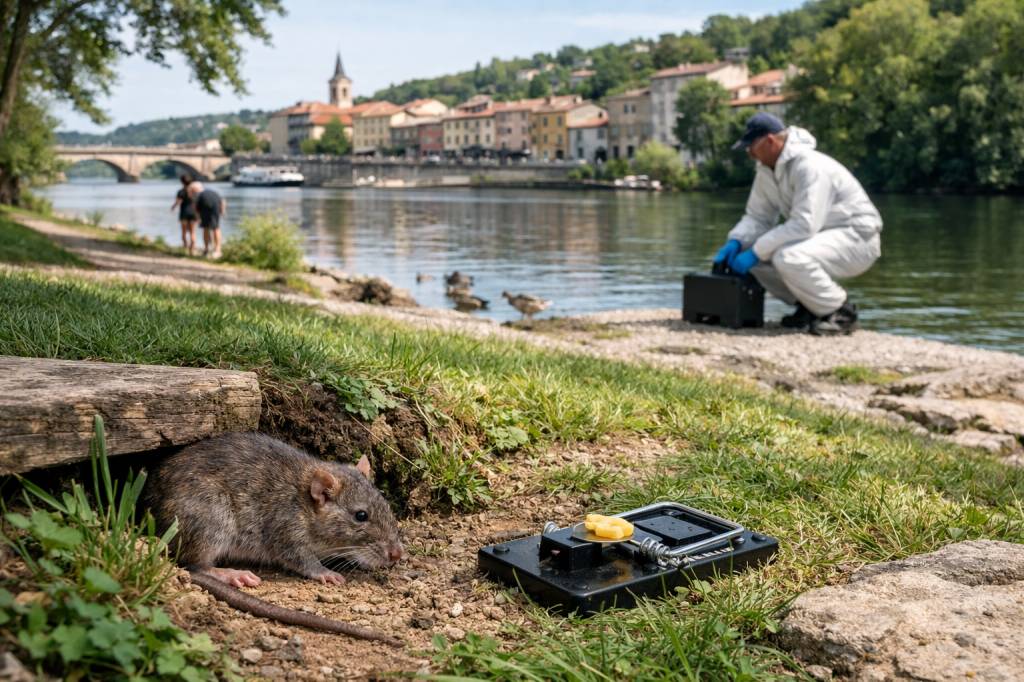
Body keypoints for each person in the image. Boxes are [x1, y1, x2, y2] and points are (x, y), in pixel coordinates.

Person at [713, 112, 882, 335]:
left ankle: (841, 312)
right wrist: (736, 242)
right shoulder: (766, 170)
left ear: (770, 141)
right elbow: (758, 216)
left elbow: (804, 224)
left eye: (751, 145)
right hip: (822, 236)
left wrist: (757, 250)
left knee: (787, 256)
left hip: (857, 238)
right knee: (750, 252)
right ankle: (810, 307)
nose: (749, 152)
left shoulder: (809, 165)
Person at [187, 181, 226, 259]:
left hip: (206, 210)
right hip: (216, 209)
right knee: (216, 228)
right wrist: (223, 211)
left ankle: (206, 249)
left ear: (194, 190)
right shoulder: (212, 192)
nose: (190, 193)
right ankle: (217, 250)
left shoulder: (198, 195)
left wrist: (198, 218)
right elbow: (222, 201)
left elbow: (195, 207)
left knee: (206, 229)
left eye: (191, 190)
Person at [171, 174, 198, 255]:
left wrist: (173, 207)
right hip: (193, 213)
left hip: (184, 213)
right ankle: (192, 249)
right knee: (193, 232)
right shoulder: (194, 191)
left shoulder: (181, 191)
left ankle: (185, 247)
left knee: (184, 232)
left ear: (182, 182)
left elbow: (178, 202)